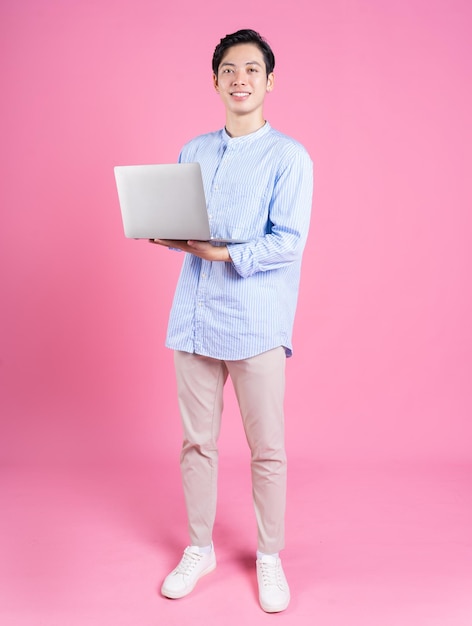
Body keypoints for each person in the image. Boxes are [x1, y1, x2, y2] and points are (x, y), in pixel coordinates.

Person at [150, 28, 313, 613]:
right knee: (197, 443)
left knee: (266, 448)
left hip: (255, 323)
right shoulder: (193, 149)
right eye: (228, 70)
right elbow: (184, 229)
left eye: (250, 70)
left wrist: (220, 252)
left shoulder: (289, 157)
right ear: (215, 80)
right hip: (193, 319)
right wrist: (161, 227)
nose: (239, 79)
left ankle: (269, 556)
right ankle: (200, 547)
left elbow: (287, 243)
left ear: (270, 81)